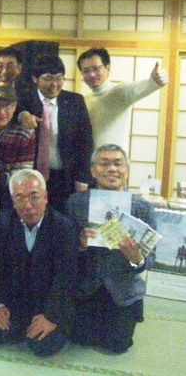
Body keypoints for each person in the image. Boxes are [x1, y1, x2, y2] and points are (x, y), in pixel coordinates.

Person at [66, 144, 156, 354]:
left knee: (117, 346)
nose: (112, 169)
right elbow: (64, 251)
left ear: (126, 170)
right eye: (104, 163)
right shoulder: (77, 202)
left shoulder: (143, 209)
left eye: (118, 164)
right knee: (81, 341)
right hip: (87, 286)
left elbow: (149, 260)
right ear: (93, 171)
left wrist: (136, 258)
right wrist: (79, 245)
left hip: (124, 289)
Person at [0, 169, 78, 357]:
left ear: (46, 197)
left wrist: (51, 316)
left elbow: (66, 276)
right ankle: (23, 324)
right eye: (19, 198)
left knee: (42, 346)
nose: (27, 205)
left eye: (34, 197)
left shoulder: (64, 226)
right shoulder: (4, 221)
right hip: (16, 299)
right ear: (13, 201)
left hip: (48, 302)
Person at [19, 55, 93, 213]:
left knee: (64, 219)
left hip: (65, 177)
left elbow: (85, 143)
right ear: (35, 79)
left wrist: (82, 178)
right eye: (48, 78)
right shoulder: (24, 100)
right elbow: (11, 114)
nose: (54, 84)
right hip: (32, 176)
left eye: (59, 78)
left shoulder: (74, 101)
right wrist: (22, 115)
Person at [77, 47, 168, 151]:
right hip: (92, 160)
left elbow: (137, 88)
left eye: (96, 68)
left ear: (108, 68)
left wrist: (153, 82)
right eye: (86, 71)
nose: (91, 74)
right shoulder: (85, 100)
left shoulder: (118, 91)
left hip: (116, 159)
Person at [0, 83, 35, 209]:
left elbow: (24, 172)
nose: (2, 112)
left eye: (7, 106)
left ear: (15, 107)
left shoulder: (25, 132)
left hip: (10, 194)